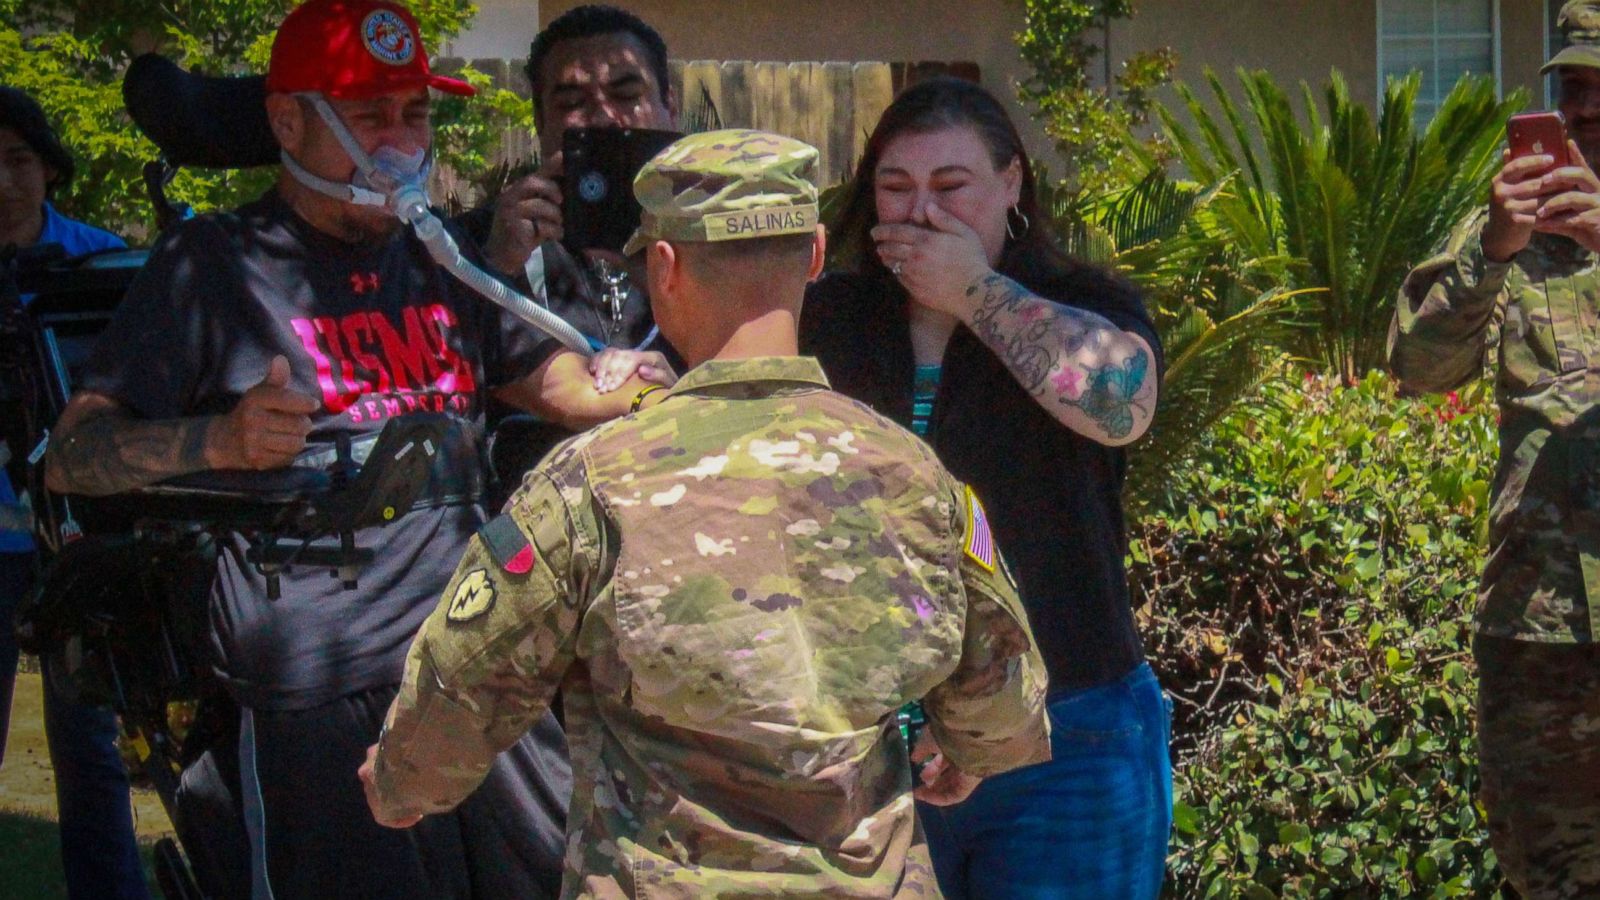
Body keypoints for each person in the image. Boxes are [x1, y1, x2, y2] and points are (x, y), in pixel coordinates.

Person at [43, 1, 665, 896]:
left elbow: (549, 379)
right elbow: (73, 453)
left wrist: (652, 382)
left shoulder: (437, 251)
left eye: (414, 113)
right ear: (288, 121)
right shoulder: (212, 264)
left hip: (475, 647)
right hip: (316, 669)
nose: (401, 141)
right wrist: (217, 438)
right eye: (370, 116)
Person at [360, 128, 1053, 896]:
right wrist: (971, 753)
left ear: (663, 266)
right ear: (817, 256)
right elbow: (1002, 707)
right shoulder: (916, 476)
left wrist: (400, 783)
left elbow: (463, 684)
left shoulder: (590, 484)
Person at [800, 77, 1170, 898]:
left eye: (951, 187)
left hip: (1066, 732)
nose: (922, 212)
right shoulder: (831, 316)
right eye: (896, 189)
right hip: (872, 742)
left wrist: (972, 291)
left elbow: (1124, 407)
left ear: (1012, 186)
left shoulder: (1081, 304)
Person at [1389, 3, 1600, 895]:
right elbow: (1418, 368)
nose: (1584, 125)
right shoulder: (1509, 235)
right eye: (1570, 102)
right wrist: (1493, 249)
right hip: (1540, 631)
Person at [0, 85, 149, 900]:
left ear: (48, 169)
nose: (3, 181)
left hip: (80, 540)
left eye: (18, 161)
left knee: (92, 744)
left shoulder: (102, 261)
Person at [468, 5, 682, 490]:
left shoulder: (718, 236)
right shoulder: (481, 243)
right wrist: (499, 265)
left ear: (670, 103)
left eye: (627, 93)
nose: (604, 117)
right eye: (572, 102)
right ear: (540, 121)